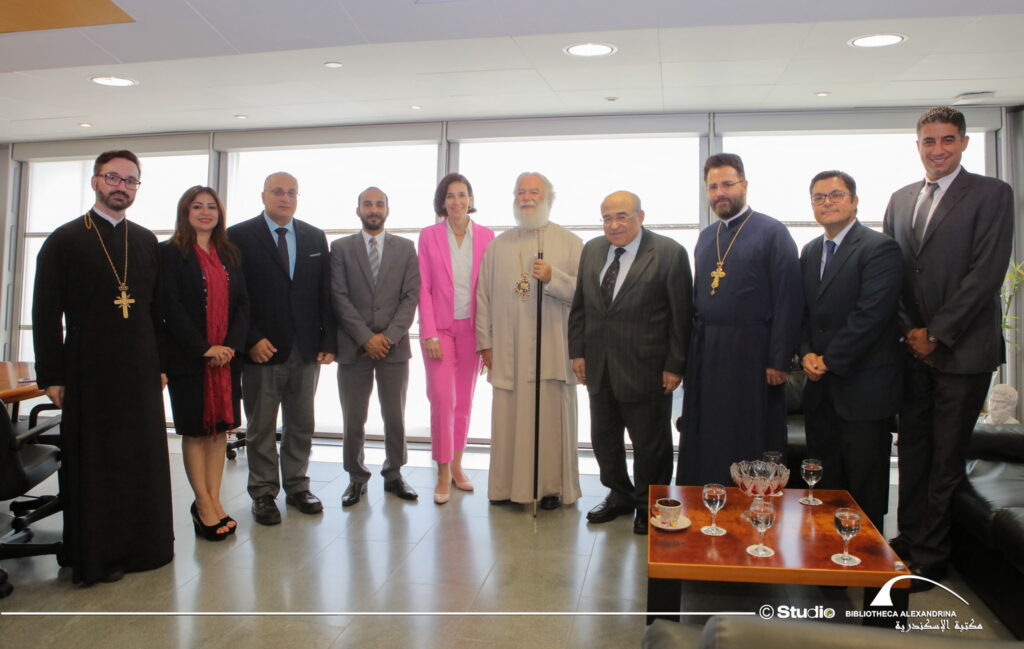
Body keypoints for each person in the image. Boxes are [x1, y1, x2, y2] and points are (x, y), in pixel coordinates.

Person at [883, 106, 1013, 587]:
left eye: (947, 140)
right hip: (912, 350)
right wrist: (911, 332)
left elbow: (986, 274)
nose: (938, 149)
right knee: (913, 451)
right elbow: (892, 273)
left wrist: (935, 332)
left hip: (963, 351)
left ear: (963, 144)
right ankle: (909, 538)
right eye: (929, 141)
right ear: (917, 145)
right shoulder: (900, 200)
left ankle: (931, 559)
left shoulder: (992, 194)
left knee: (944, 458)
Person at [32, 149, 173, 584]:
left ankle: (145, 548)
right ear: (95, 181)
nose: (121, 187)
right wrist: (52, 376)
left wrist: (162, 365)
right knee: (98, 463)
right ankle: (98, 553)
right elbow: (44, 312)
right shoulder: (65, 239)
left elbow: (157, 311)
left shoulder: (147, 241)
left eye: (131, 181)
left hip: (141, 370)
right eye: (113, 178)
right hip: (88, 370)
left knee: (141, 459)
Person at [569, 191, 693, 535]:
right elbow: (581, 306)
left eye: (621, 216)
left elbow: (681, 317)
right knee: (604, 439)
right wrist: (577, 351)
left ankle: (647, 504)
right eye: (606, 218)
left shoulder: (669, 253)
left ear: (640, 216)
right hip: (599, 366)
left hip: (647, 368)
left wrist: (675, 365)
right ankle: (619, 495)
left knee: (649, 444)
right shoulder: (592, 250)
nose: (613, 224)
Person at [677, 153, 802, 486]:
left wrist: (779, 359)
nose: (720, 192)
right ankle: (706, 499)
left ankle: (751, 506)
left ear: (744, 185)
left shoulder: (773, 232)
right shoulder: (706, 237)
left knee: (749, 433)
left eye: (727, 184)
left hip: (754, 353)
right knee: (709, 431)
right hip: (708, 352)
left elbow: (788, 299)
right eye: (713, 186)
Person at [227, 172, 337, 526]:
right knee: (260, 426)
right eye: (278, 192)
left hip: (305, 350)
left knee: (301, 423)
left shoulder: (313, 236)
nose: (285, 198)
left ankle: (297, 486)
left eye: (291, 193)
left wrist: (327, 341)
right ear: (263, 195)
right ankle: (263, 493)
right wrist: (250, 340)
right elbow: (235, 298)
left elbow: (325, 294)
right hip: (262, 349)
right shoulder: (238, 237)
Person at [799, 171, 903, 531]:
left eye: (836, 194)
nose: (827, 202)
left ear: (855, 200)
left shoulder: (879, 248)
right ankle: (829, 563)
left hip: (864, 390)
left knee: (864, 487)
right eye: (819, 197)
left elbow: (871, 316)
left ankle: (868, 572)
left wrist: (829, 360)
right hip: (821, 391)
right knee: (825, 485)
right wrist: (806, 353)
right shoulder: (811, 251)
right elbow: (806, 314)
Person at [476, 172, 583, 509]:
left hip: (551, 349)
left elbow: (585, 296)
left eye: (534, 192)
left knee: (549, 420)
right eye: (520, 192)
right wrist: (485, 343)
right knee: (508, 420)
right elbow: (483, 297)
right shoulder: (497, 245)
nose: (526, 197)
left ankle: (550, 489)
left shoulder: (570, 243)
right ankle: (506, 488)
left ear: (548, 198)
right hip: (508, 351)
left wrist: (555, 278)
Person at [160, 186, 249, 541]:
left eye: (211, 206)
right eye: (197, 206)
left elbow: (243, 304)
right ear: (185, 212)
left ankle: (213, 499)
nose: (205, 212)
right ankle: (202, 502)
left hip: (226, 360)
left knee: (219, 432)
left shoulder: (230, 253)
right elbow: (169, 307)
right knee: (196, 432)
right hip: (189, 359)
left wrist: (230, 347)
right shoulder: (169, 254)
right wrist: (204, 347)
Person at [331, 187, 421, 506]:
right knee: (354, 417)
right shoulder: (340, 248)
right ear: (357, 210)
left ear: (388, 209)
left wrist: (388, 337)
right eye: (367, 204)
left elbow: (411, 297)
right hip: (353, 347)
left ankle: (394, 473)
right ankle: (356, 477)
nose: (373, 208)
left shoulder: (406, 248)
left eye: (379, 203)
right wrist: (366, 338)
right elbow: (338, 297)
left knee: (394, 415)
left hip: (393, 348)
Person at [418, 174, 495, 504]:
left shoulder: (487, 236)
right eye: (450, 196)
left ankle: (458, 467)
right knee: (441, 398)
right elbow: (423, 286)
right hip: (440, 331)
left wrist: (487, 337)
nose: (456, 201)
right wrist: (429, 332)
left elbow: (490, 289)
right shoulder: (429, 235)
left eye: (462, 195)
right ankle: (442, 472)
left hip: (472, 331)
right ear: (442, 201)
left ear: (470, 199)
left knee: (463, 402)